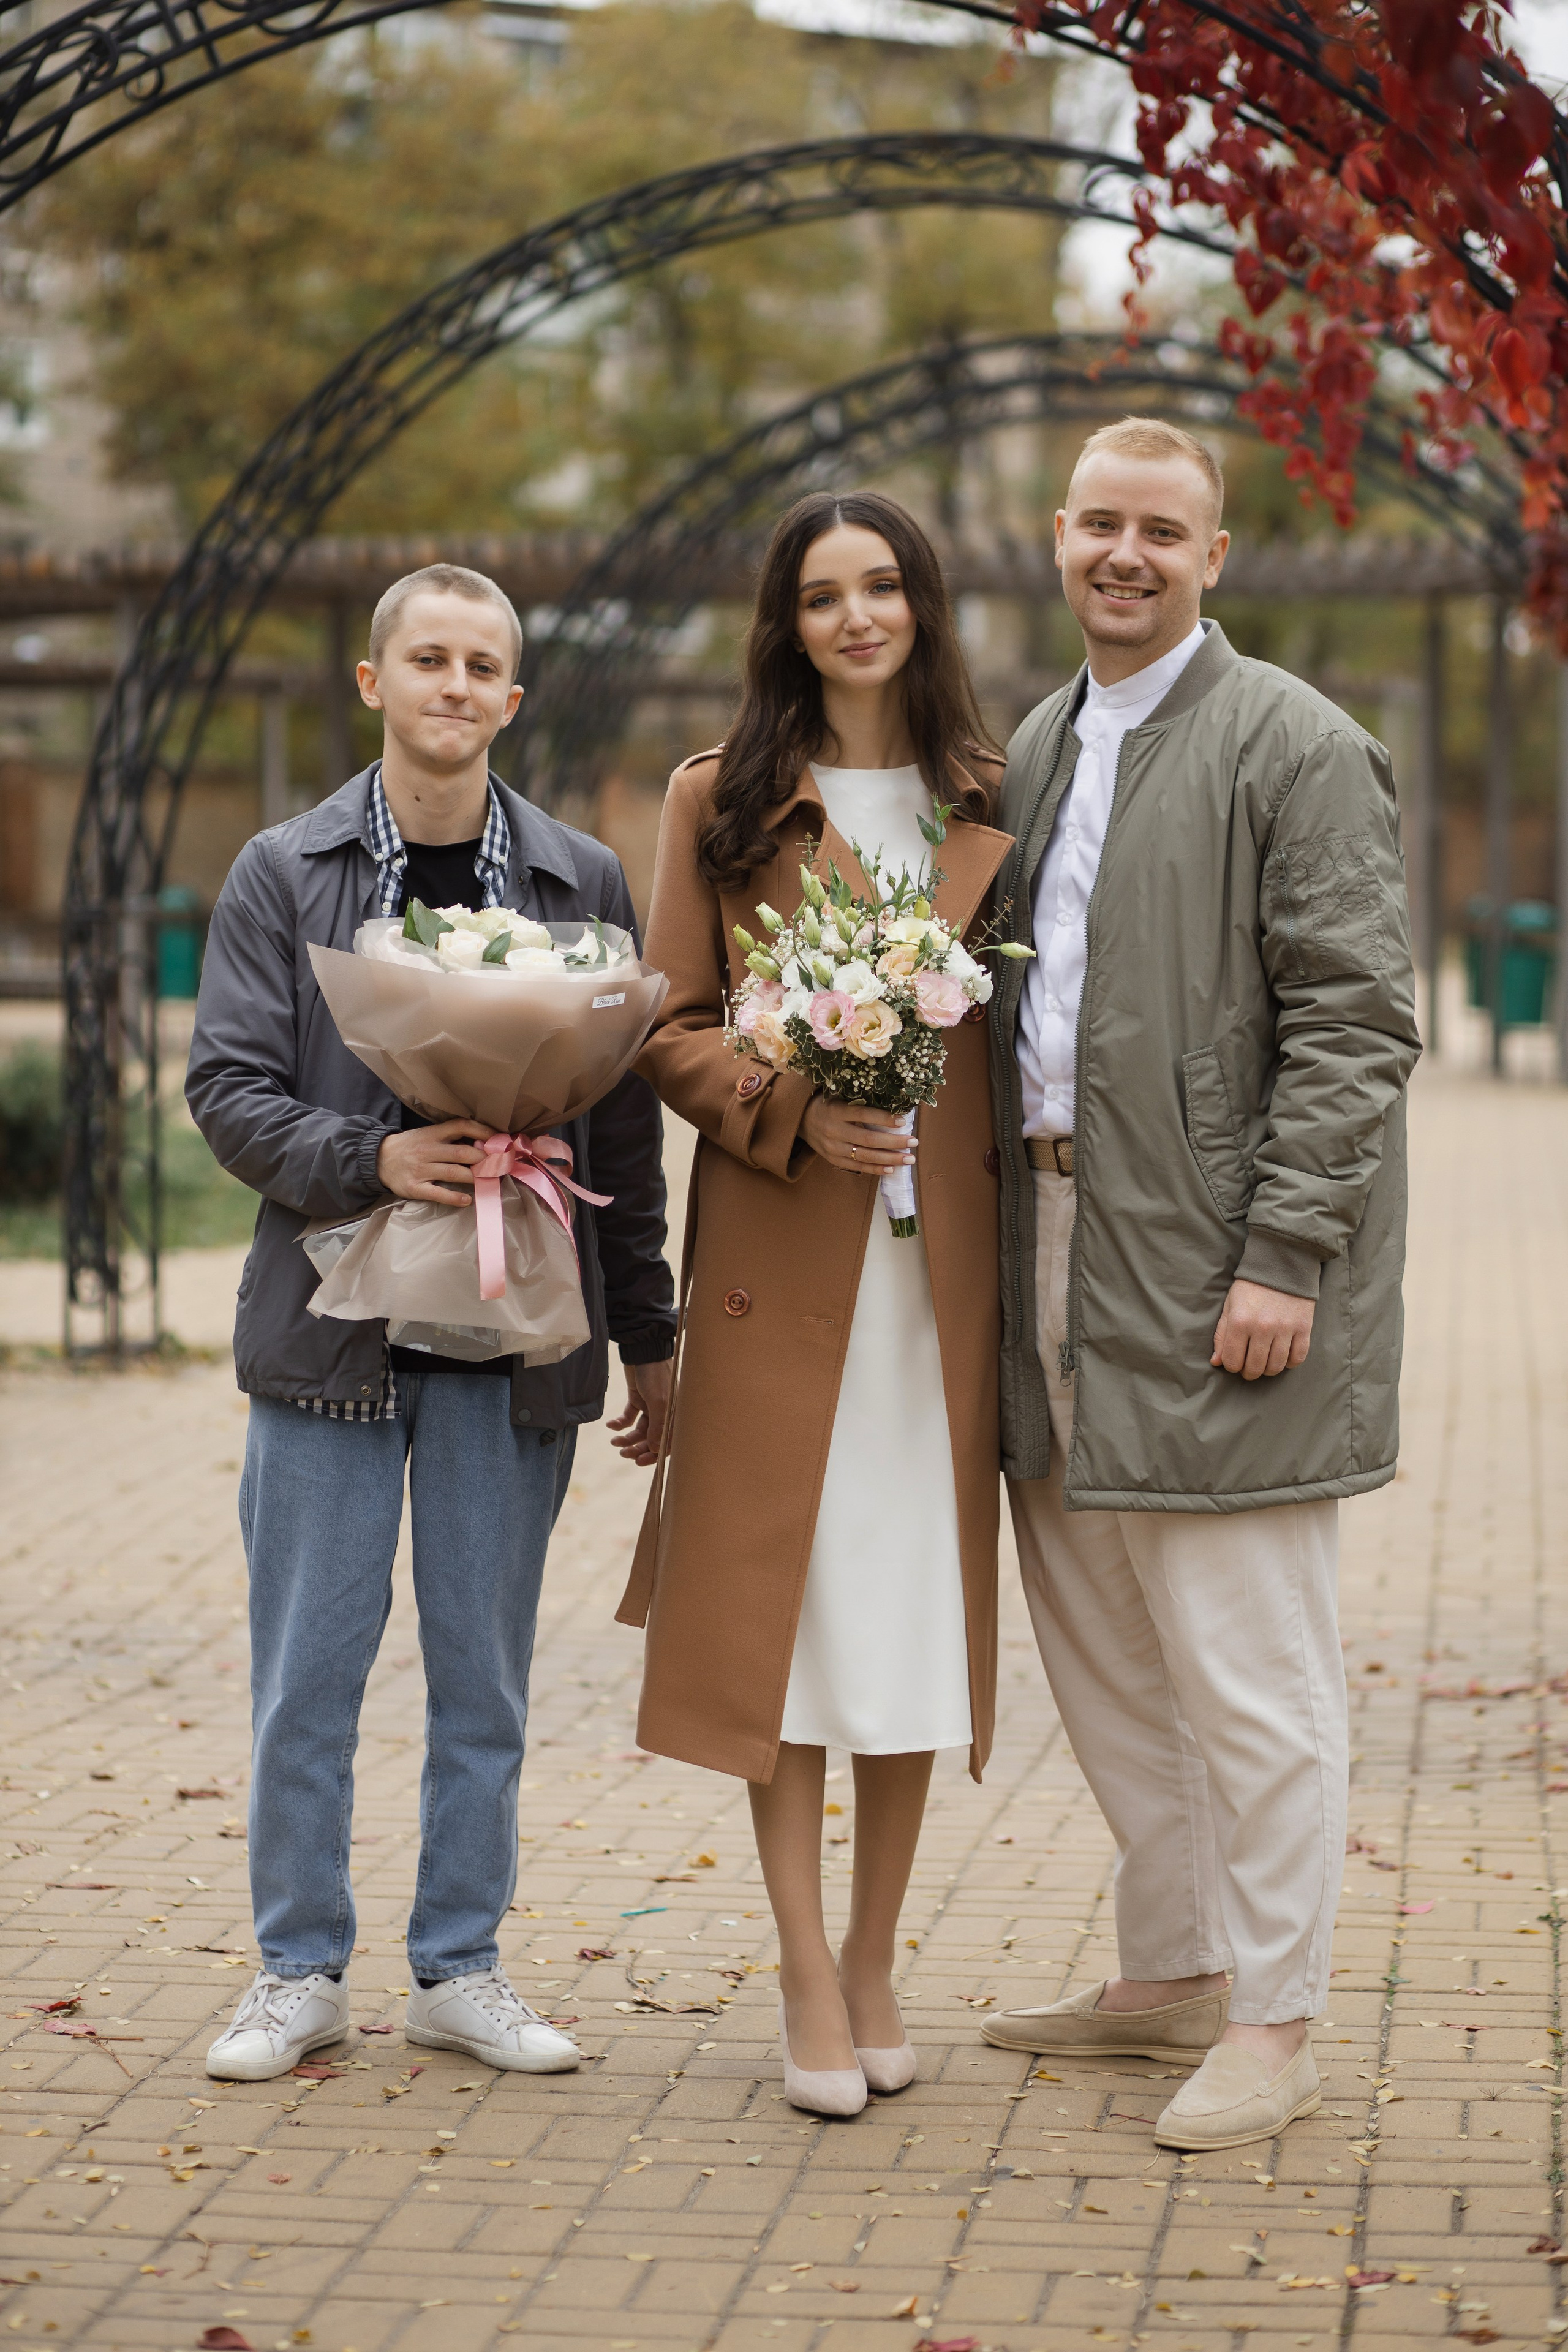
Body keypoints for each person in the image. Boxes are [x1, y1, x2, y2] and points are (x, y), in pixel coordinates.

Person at [976, 419, 1421, 2151]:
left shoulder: (1294, 743)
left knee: (1250, 1670)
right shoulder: (1034, 743)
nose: (1126, 554)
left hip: (1220, 1265)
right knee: (1105, 1651)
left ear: (1214, 555)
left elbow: (1357, 1018)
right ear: (1057, 534)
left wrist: (1285, 1254)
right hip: (1048, 1246)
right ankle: (1169, 1974)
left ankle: (1276, 2018)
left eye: (1162, 530)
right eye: (1100, 522)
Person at [186, 562, 676, 2082]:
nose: (453, 687)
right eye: (427, 661)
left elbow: (618, 1134)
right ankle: (296, 1971)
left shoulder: (581, 880)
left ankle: (460, 1968)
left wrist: (649, 1335)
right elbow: (226, 1089)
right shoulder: (283, 871)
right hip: (328, 1340)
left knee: (485, 1681)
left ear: (510, 699)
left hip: (512, 1347)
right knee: (306, 1681)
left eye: (480, 667)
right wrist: (376, 1159)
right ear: (375, 681)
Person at [617, 491, 1011, 2117]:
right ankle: (798, 1970)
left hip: (942, 1293)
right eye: (824, 593)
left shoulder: (989, 794)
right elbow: (665, 1026)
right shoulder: (720, 800)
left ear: (922, 604)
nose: (858, 616)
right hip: (781, 1267)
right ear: (786, 621)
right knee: (782, 1616)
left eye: (884, 585)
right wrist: (792, 1104)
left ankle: (874, 1958)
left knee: (908, 1614)